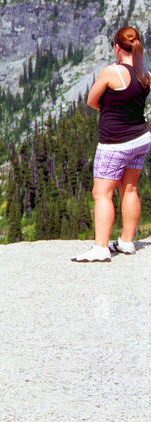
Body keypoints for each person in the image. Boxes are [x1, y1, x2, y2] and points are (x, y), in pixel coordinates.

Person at [72, 25, 149, 263]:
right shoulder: (145, 75)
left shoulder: (111, 72)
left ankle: (101, 248)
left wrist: (109, 108)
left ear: (117, 47)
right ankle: (126, 242)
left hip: (115, 142)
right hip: (141, 138)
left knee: (102, 193)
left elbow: (92, 101)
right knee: (130, 188)